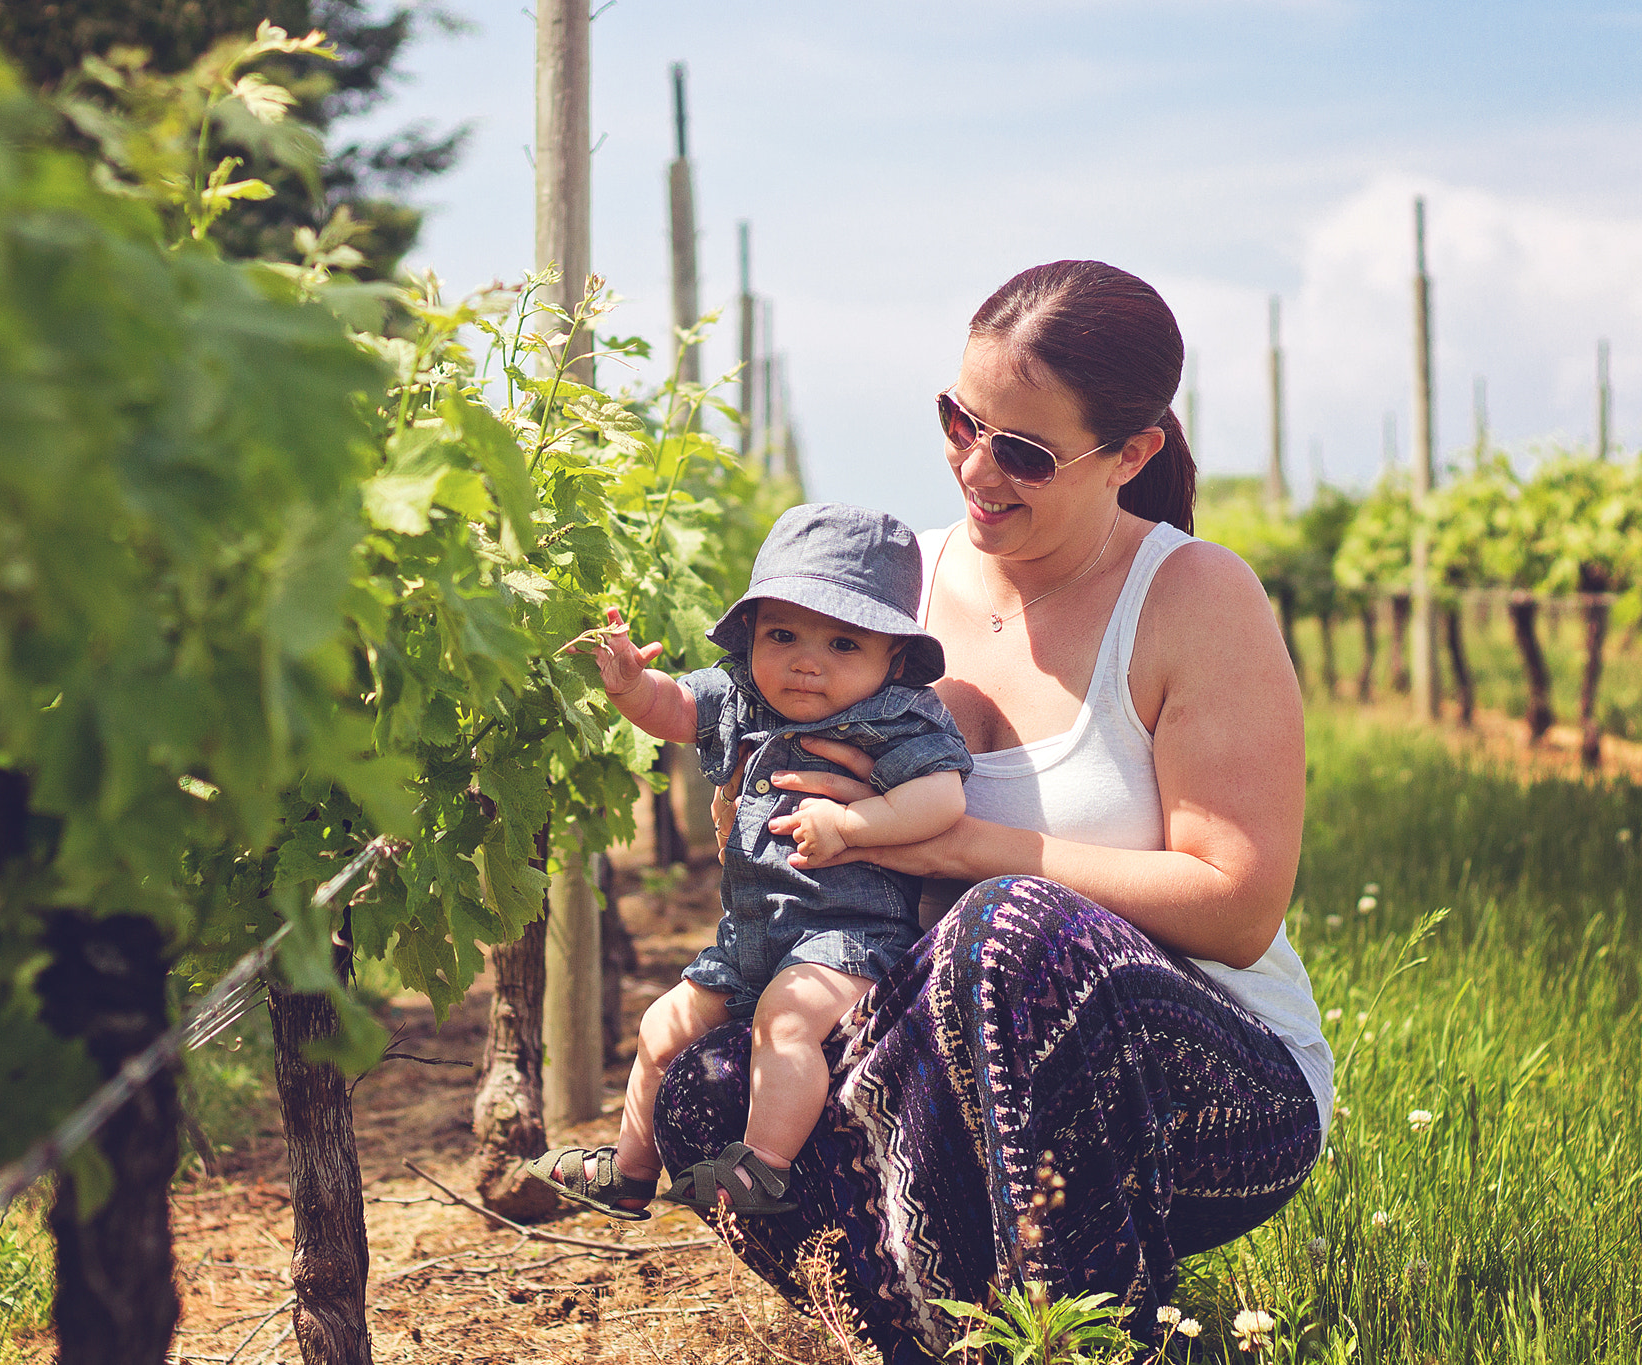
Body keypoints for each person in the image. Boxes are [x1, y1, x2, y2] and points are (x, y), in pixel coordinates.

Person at [650, 261, 1332, 1360]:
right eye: (958, 419)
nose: (975, 466)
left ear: (1133, 452)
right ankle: (957, 1342)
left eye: (1022, 451)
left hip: (1203, 1095)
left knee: (1006, 926)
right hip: (935, 1084)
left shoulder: (1193, 598)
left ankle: (1085, 1341)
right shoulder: (879, 594)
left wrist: (960, 844)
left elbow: (1235, 908)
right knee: (705, 1091)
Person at [527, 503, 974, 1220]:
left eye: (843, 644)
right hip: (748, 941)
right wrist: (631, 688)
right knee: (661, 1028)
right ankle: (630, 1170)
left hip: (848, 942)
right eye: (784, 634)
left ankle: (762, 1166)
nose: (806, 660)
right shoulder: (741, 695)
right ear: (752, 632)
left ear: (894, 657)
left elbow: (941, 796)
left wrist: (856, 824)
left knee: (786, 1020)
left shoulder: (899, 714)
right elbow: (675, 707)